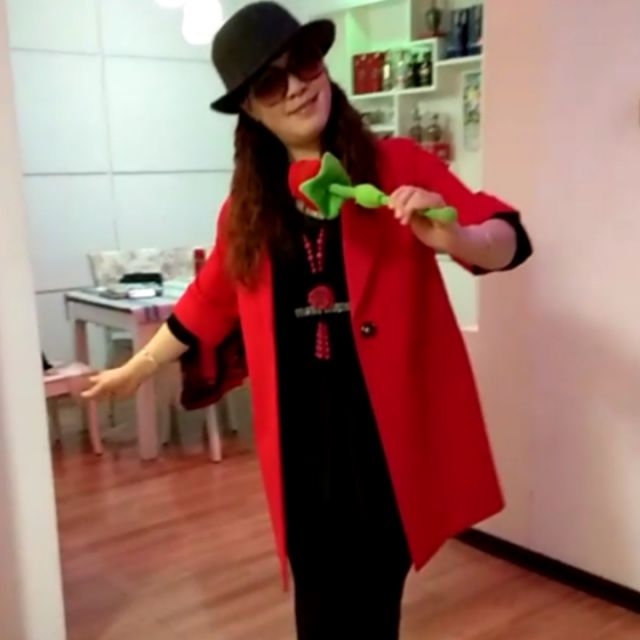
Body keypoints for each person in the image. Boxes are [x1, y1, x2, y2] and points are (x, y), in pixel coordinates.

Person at [84, 2, 533, 638]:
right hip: (301, 450)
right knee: (317, 611)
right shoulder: (248, 210)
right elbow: (207, 303)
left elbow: (508, 238)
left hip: (384, 445)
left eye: (304, 63)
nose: (296, 86)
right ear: (249, 108)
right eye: (271, 82)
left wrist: (457, 237)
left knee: (372, 609)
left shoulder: (398, 167)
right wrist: (137, 367)